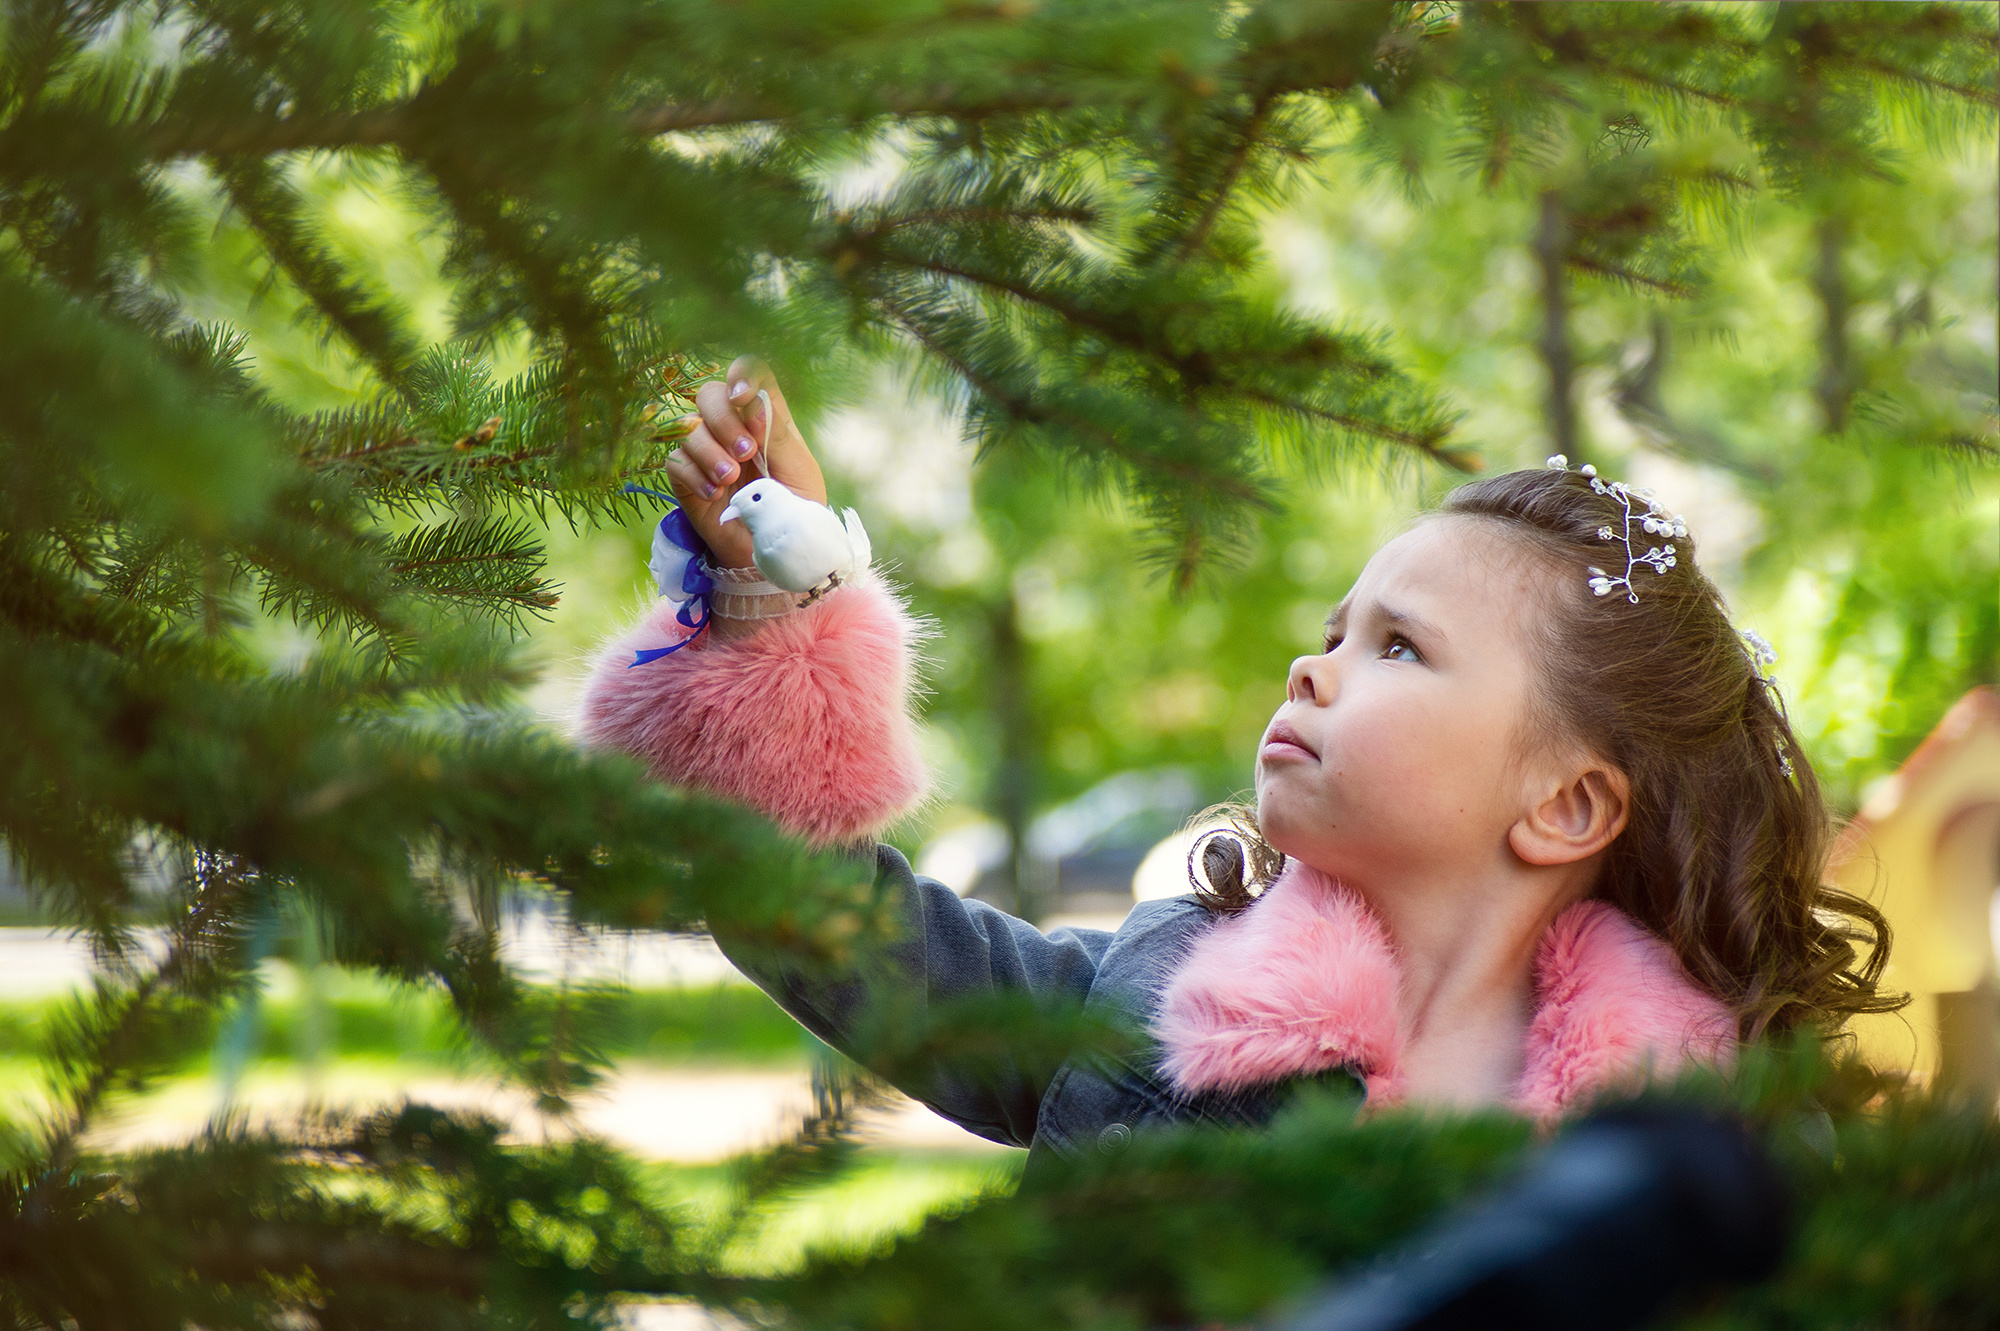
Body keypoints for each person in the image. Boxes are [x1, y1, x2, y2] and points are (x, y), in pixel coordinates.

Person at [577, 356, 1894, 1166]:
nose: (1313, 666)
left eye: (1399, 650)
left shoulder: (1709, 1151)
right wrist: (770, 607)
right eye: (1333, 630)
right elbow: (830, 916)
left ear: (1566, 803)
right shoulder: (1167, 994)